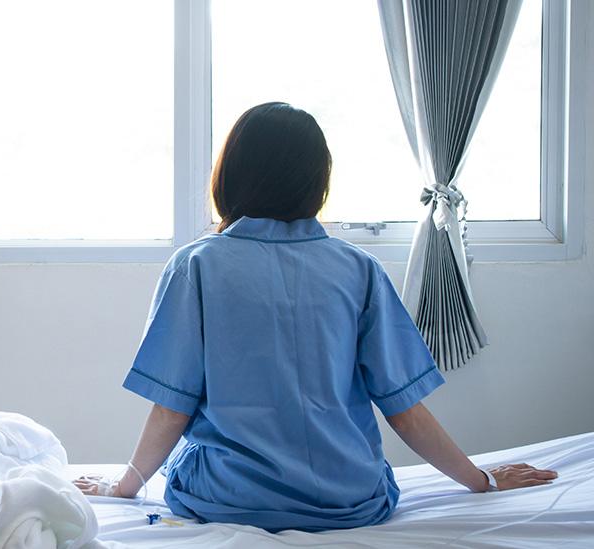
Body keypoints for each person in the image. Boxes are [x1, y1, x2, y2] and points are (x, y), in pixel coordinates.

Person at [73, 102, 557, 532]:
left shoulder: (196, 265)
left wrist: (125, 488)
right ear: (317, 182)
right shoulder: (358, 269)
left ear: (231, 175)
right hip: (350, 500)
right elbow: (404, 411)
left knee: (192, 456)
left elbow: (171, 408)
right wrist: (482, 480)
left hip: (225, 498)